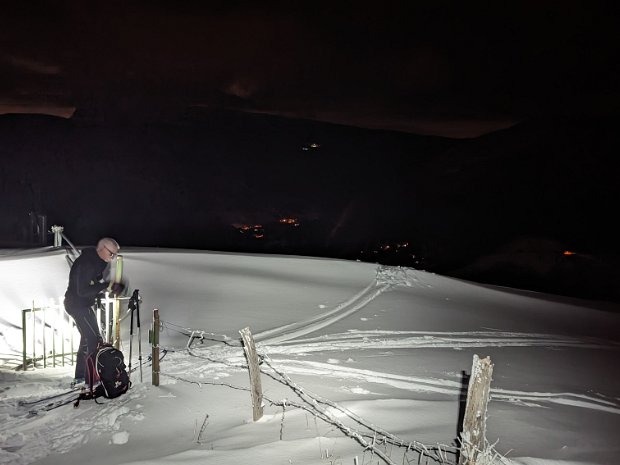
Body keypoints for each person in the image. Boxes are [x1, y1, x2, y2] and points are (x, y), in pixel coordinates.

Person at [64, 237, 124, 385]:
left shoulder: (98, 261)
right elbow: (82, 291)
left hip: (82, 304)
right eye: (111, 254)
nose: (112, 258)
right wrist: (105, 285)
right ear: (102, 248)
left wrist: (108, 287)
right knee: (93, 339)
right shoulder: (87, 263)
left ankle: (82, 376)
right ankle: (89, 377)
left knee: (89, 338)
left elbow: (93, 284)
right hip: (77, 305)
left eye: (114, 255)